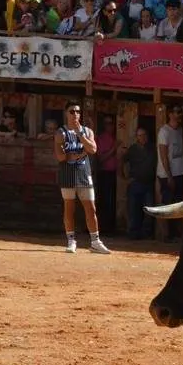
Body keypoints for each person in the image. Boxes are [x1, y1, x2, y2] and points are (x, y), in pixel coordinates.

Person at [54, 101, 110, 254]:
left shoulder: (87, 131)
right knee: (69, 208)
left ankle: (95, 241)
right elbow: (60, 157)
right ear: (66, 113)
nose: (75, 114)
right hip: (67, 173)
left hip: (84, 173)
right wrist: (78, 153)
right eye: (72, 111)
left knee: (91, 208)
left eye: (78, 112)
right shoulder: (61, 132)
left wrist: (79, 135)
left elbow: (92, 149)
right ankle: (71, 240)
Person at [120, 126, 157, 239]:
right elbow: (122, 161)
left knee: (149, 209)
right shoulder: (133, 149)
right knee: (134, 209)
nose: (142, 137)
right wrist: (124, 178)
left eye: (144, 135)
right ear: (137, 137)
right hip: (135, 183)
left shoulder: (152, 148)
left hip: (149, 183)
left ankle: (146, 233)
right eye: (140, 135)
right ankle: (133, 233)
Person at [156, 104, 183, 240]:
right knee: (167, 203)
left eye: (181, 112)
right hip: (167, 175)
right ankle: (166, 235)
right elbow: (163, 155)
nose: (179, 115)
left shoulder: (179, 130)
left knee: (177, 203)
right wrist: (169, 176)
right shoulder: (164, 131)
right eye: (177, 111)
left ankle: (174, 233)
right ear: (170, 114)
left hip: (179, 172)